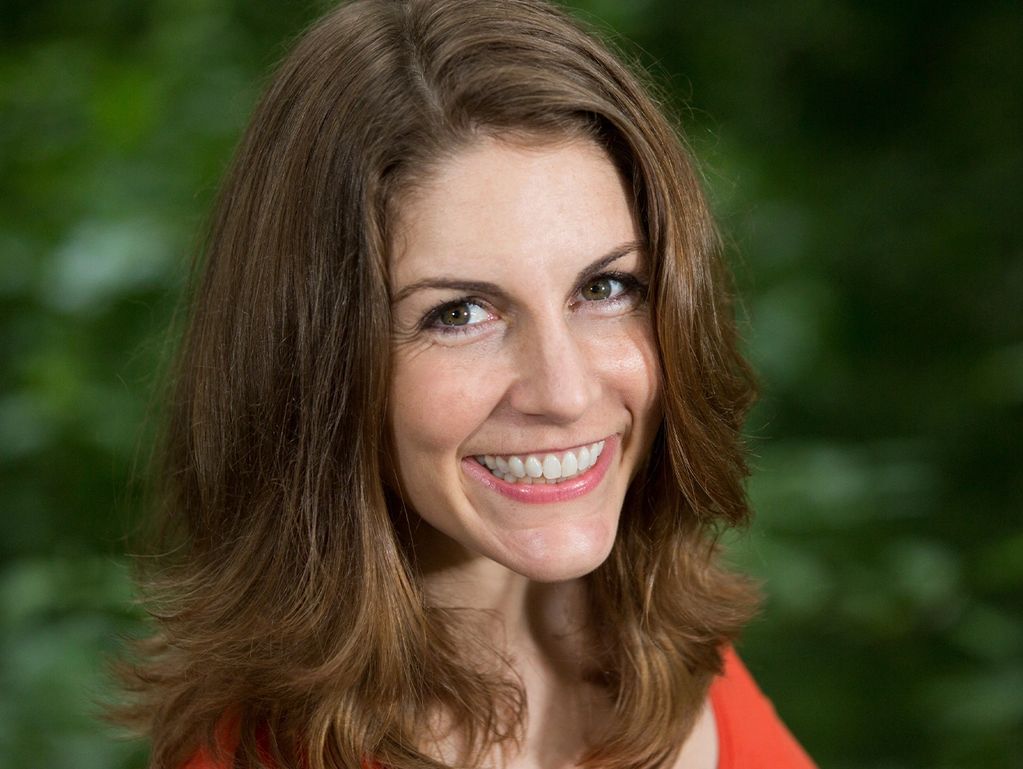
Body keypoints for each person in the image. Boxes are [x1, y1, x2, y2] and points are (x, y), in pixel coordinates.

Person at [118, 1, 818, 767]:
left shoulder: (674, 651)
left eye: (606, 287)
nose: (563, 390)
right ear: (315, 366)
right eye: (460, 312)